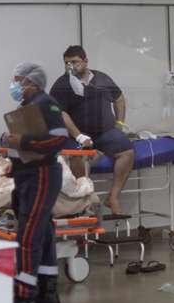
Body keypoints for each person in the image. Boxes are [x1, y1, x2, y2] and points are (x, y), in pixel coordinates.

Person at [1, 63, 68, 303]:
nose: (15, 85)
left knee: (28, 234)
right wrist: (14, 160)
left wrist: (23, 142)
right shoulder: (28, 108)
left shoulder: (46, 103)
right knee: (43, 230)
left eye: (18, 80)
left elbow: (59, 139)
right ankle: (47, 292)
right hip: (28, 173)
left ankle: (25, 298)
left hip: (41, 174)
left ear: (31, 82)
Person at [50, 45, 135, 215]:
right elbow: (61, 113)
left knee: (127, 152)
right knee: (77, 157)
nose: (70, 66)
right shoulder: (62, 84)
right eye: (66, 63)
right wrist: (79, 136)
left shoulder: (102, 79)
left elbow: (119, 98)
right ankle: (85, 201)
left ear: (86, 61)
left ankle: (113, 197)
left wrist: (119, 123)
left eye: (74, 62)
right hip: (76, 135)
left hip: (104, 132)